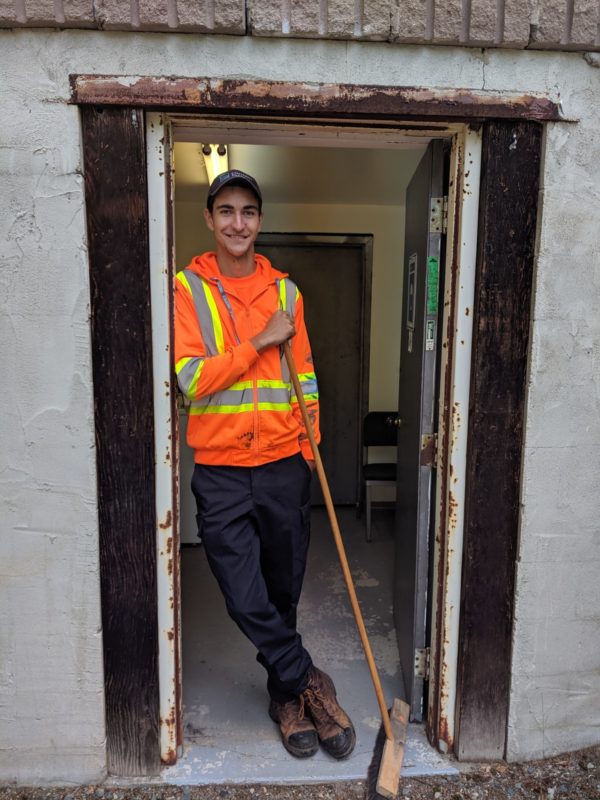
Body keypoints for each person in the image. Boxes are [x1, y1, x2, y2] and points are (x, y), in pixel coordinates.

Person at [174, 170, 356, 760]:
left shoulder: (288, 294)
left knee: (283, 588)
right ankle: (310, 680)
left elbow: (304, 377)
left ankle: (285, 699)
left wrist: (309, 452)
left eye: (248, 211)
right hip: (222, 469)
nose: (237, 223)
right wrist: (258, 342)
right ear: (209, 218)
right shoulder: (187, 289)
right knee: (242, 593)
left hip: (284, 463)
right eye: (225, 210)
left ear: (259, 220)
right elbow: (190, 379)